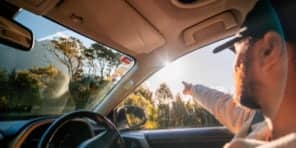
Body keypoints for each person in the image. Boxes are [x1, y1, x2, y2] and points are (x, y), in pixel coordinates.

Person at [185, 0, 296, 147]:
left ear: (269, 50)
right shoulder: (255, 119)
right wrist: (193, 89)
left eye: (237, 49)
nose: (235, 65)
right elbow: (221, 104)